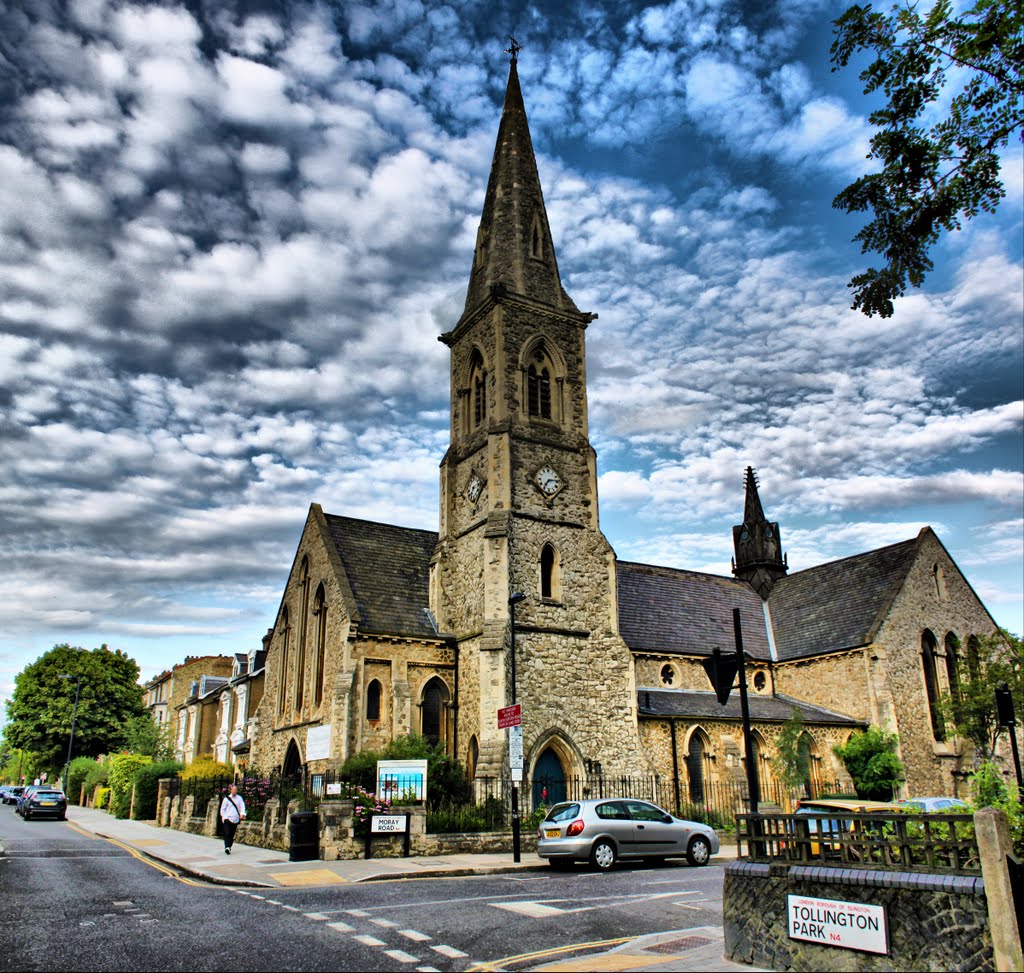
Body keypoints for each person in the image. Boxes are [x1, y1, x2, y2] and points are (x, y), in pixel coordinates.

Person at [219, 783, 246, 855]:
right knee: (227, 833)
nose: (234, 791)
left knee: (232, 834)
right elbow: (222, 809)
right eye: (233, 790)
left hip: (235, 819)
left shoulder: (239, 798)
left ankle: (229, 846)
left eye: (235, 790)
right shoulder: (226, 799)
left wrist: (242, 814)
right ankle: (227, 847)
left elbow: (242, 807)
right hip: (227, 819)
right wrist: (224, 817)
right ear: (230, 791)